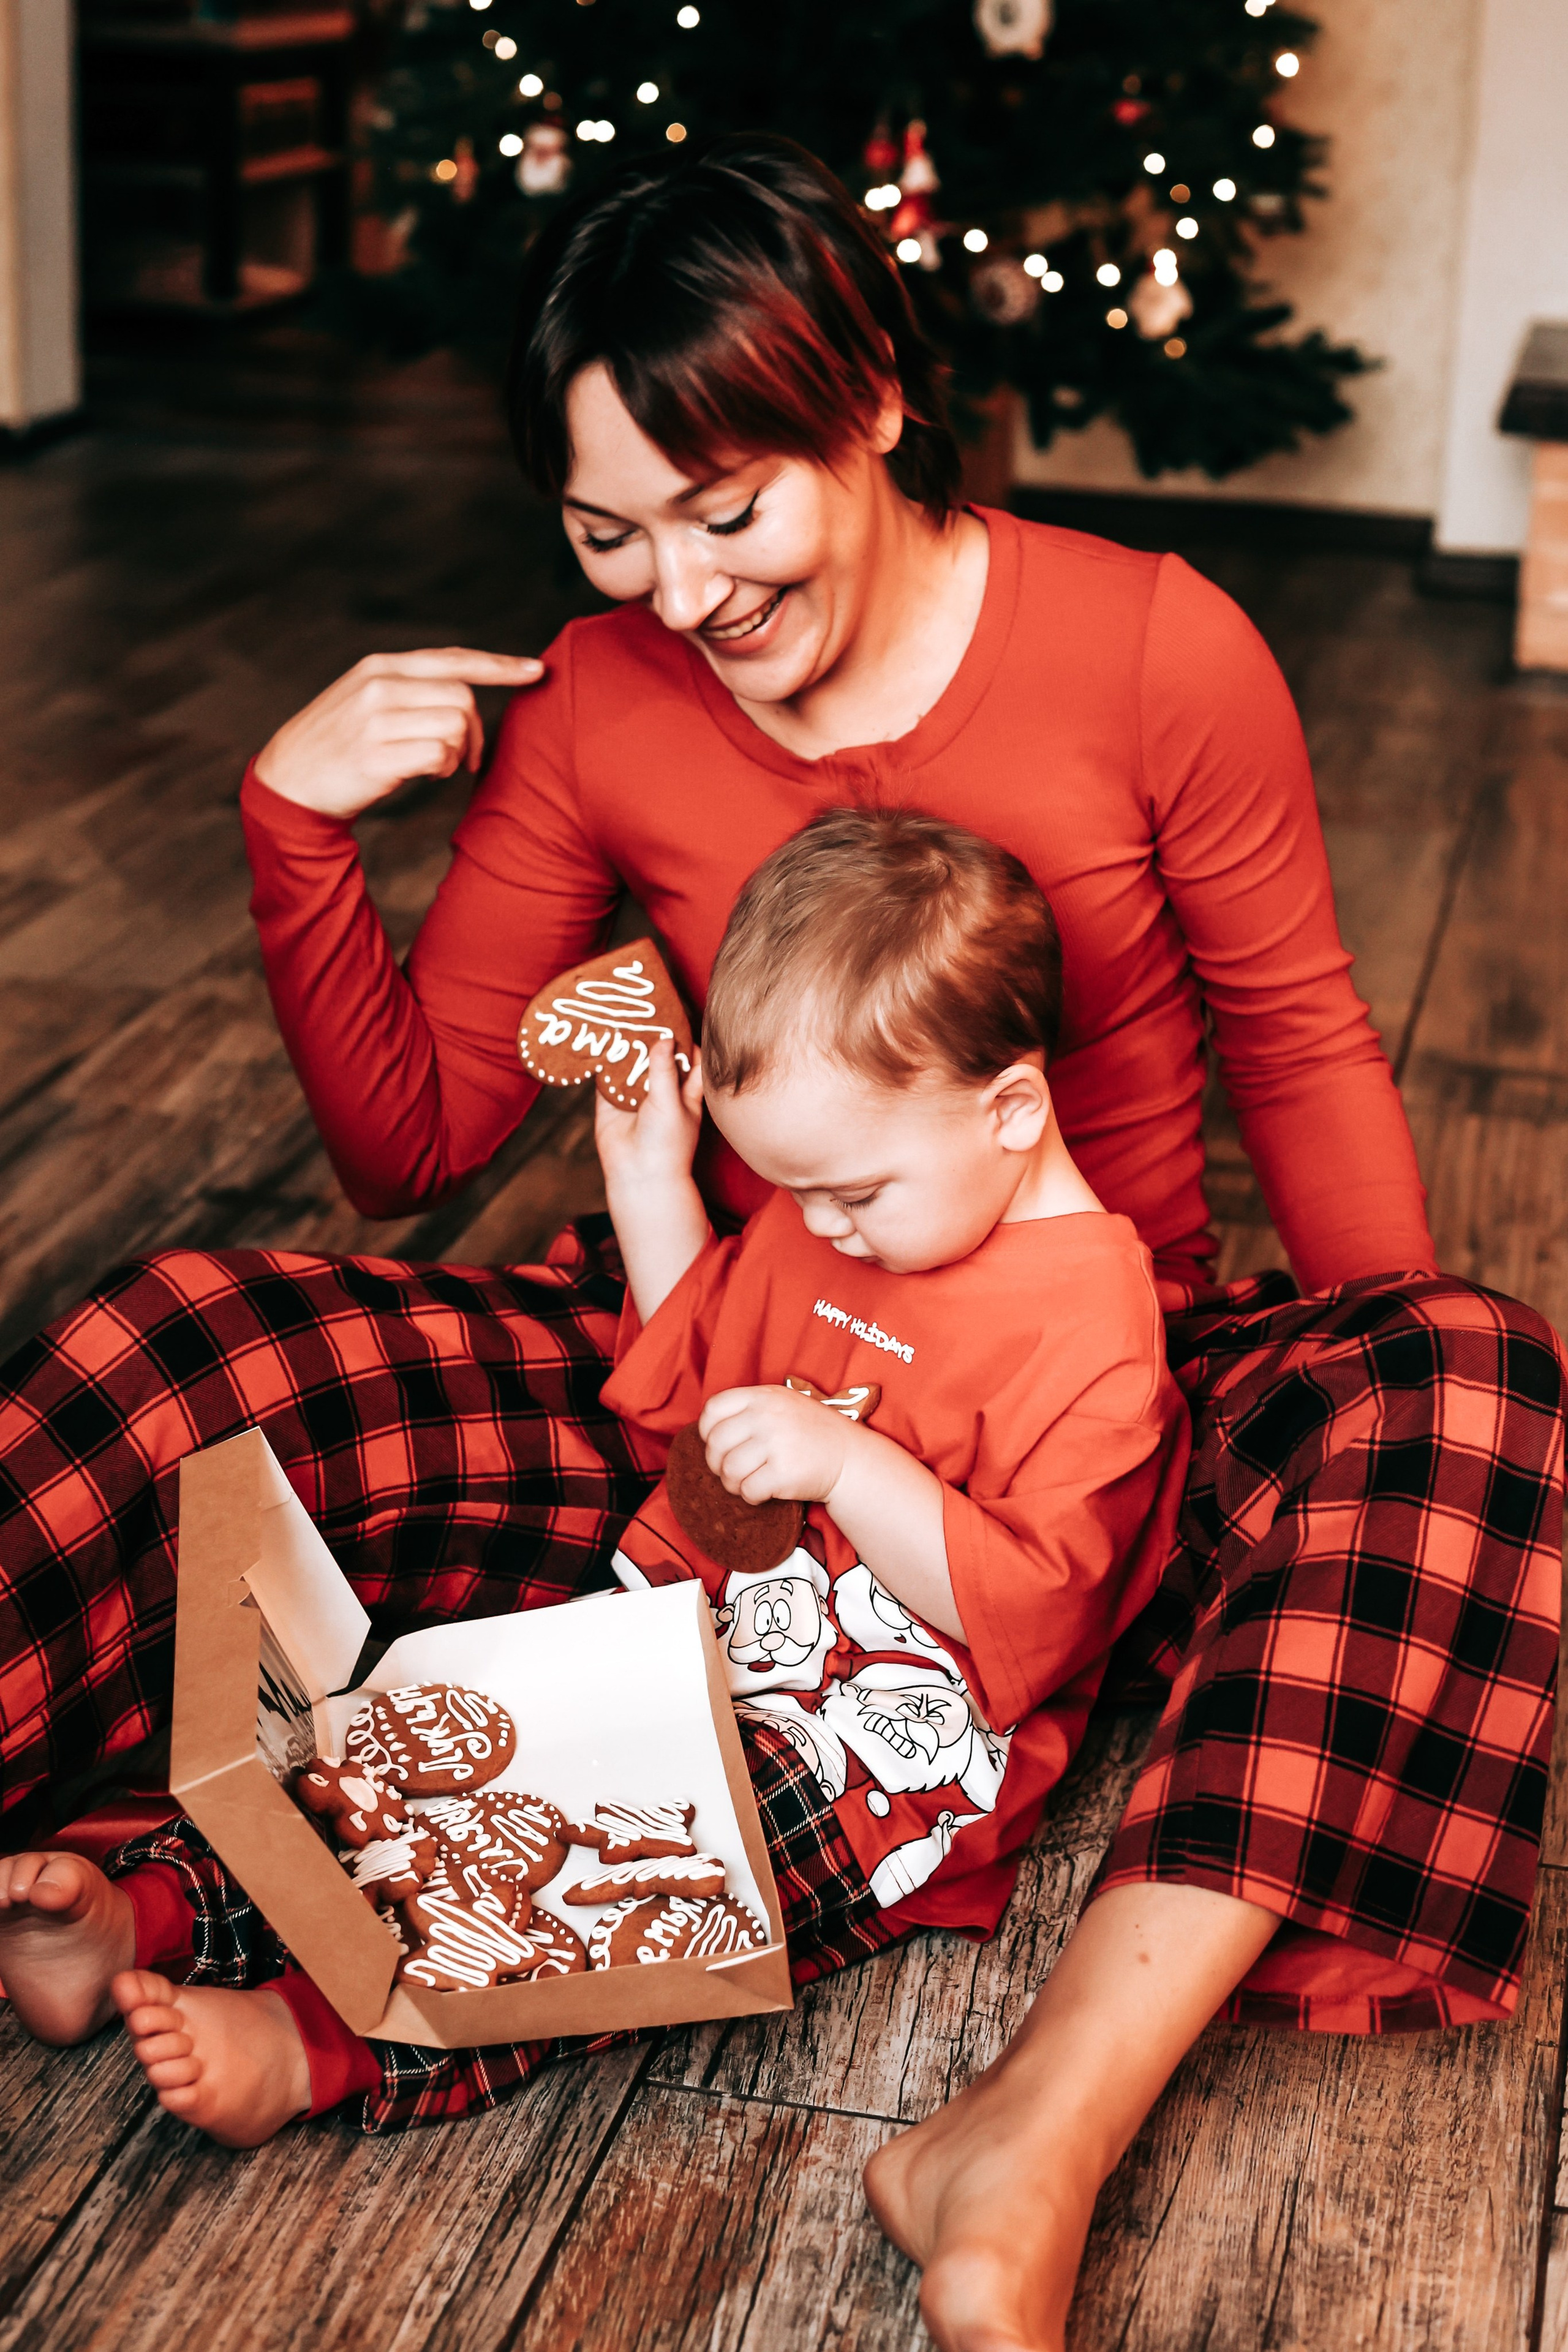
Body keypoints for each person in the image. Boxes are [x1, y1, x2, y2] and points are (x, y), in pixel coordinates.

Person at [0, 132, 1560, 2352]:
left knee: (1466, 1381)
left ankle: (1035, 2129)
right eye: (605, 528)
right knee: (186, 1335)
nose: (678, 591)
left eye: (728, 512)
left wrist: (1358, 1379)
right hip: (736, 1373)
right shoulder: (606, 698)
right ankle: (162, 1872)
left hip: (1105, 1397)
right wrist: (297, 839)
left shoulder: (1154, 650)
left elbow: (1304, 1056)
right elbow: (413, 1141)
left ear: (877, 406)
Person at [1, 807, 1189, 2174]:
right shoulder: (850, 1203)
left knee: (625, 1886)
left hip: (867, 1756)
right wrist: (646, 1168)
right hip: (674, 1624)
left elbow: (1032, 1613)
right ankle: (149, 1915)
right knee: (436, 1745)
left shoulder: (1094, 1328)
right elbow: (693, 1361)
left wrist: (850, 1467)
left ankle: (318, 2043)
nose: (819, 1228)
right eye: (790, 1191)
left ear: (1014, 1110)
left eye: (852, 1193)